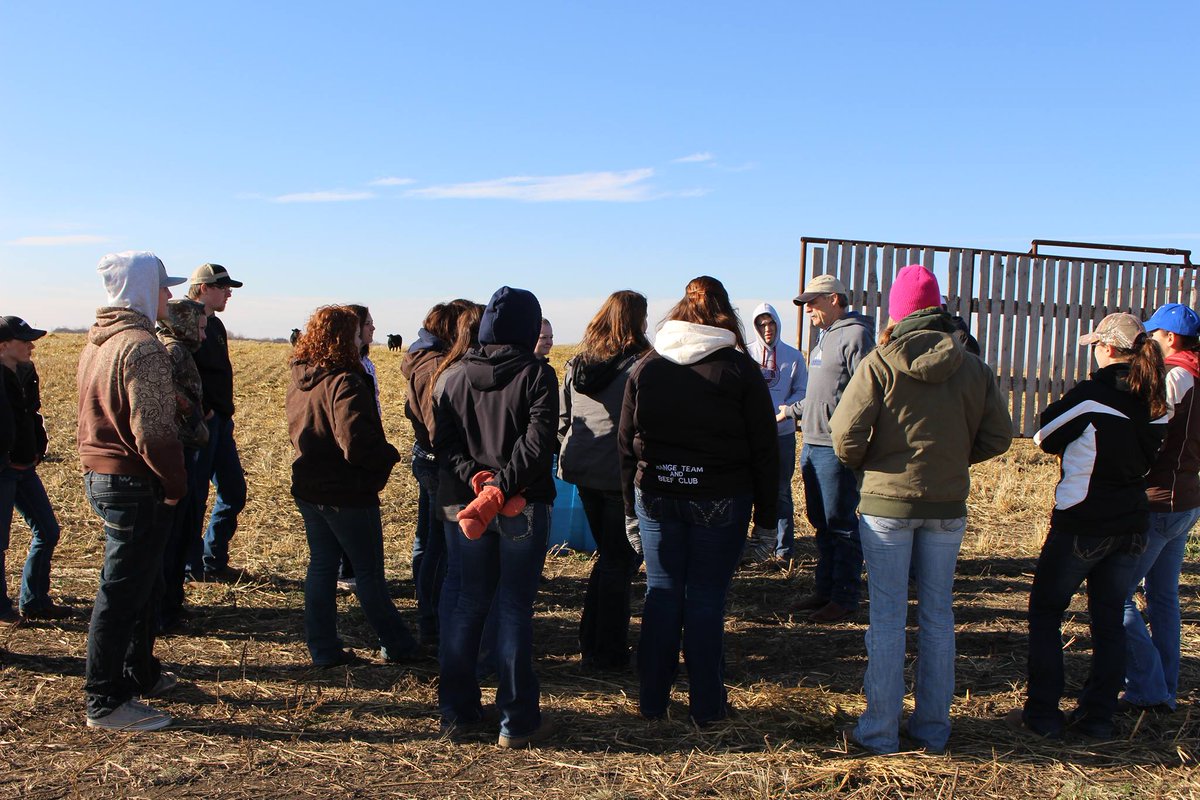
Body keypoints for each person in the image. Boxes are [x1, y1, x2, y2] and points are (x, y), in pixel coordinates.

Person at [830, 264, 1013, 754]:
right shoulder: (974, 367)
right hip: (947, 503)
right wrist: (952, 458)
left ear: (897, 312)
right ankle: (933, 729)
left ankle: (879, 732)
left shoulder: (880, 362)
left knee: (887, 618)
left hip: (886, 506)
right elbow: (999, 436)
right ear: (938, 309)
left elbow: (844, 437)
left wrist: (873, 467)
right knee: (937, 616)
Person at [619, 276, 779, 726]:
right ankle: (707, 707)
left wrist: (630, 509)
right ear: (725, 314)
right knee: (706, 599)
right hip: (720, 497)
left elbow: (626, 443)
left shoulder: (648, 366)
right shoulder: (738, 368)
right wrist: (767, 520)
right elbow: (764, 449)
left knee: (662, 593)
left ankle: (652, 700)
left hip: (657, 494)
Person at [1006, 312, 1168, 740]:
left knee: (1046, 613)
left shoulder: (1093, 396)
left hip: (1083, 521)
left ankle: (1042, 714)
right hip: (1132, 522)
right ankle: (1098, 717)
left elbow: (1044, 435)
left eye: (1095, 345)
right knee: (1109, 619)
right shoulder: (1155, 400)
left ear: (1108, 348)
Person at [434, 287, 558, 748]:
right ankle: (517, 720)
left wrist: (479, 481)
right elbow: (537, 444)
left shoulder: (451, 376)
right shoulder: (536, 374)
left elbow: (443, 445)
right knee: (513, 607)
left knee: (467, 602)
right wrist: (499, 487)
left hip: (464, 506)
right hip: (518, 505)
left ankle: (458, 713)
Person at [79, 250, 188, 731]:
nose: (168, 295)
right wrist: (175, 486)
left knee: (142, 584)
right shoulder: (143, 347)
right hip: (133, 480)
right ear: (142, 289)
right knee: (123, 592)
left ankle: (139, 672)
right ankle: (105, 700)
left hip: (104, 476)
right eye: (162, 287)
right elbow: (155, 433)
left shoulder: (98, 341)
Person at [287, 305, 418, 666]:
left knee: (322, 567)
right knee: (369, 572)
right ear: (346, 337)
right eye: (359, 332)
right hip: (346, 493)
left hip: (310, 487)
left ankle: (323, 649)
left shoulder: (301, 378)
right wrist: (389, 456)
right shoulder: (345, 381)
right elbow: (356, 443)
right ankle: (398, 645)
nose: (365, 337)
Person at [559, 290, 652, 671]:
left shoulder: (578, 362)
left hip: (583, 468)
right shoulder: (642, 366)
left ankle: (591, 640)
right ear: (637, 320)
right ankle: (607, 651)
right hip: (619, 473)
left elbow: (564, 418)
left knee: (609, 557)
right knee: (621, 561)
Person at [778, 273, 875, 623]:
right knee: (821, 522)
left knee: (841, 524)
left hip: (835, 447)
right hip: (812, 442)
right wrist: (791, 410)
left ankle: (845, 597)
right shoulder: (824, 338)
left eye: (813, 303)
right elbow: (821, 394)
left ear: (834, 299)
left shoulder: (856, 335)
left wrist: (852, 435)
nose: (807, 310)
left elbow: (866, 392)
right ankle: (825, 590)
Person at [1122, 303, 1200, 712]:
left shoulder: (1175, 375)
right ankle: (1166, 684)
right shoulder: (1196, 373)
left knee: (1117, 595)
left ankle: (1149, 688)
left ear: (1171, 337)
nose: (1148, 341)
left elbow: (1155, 431)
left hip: (1158, 501)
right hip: (1185, 498)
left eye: (1153, 334)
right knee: (1164, 598)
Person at [400, 300, 469, 644]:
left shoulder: (425, 358)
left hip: (429, 459)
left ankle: (428, 612)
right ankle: (431, 620)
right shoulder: (433, 367)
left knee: (428, 540)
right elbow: (435, 426)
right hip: (438, 463)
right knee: (439, 546)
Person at [0, 316, 66, 622]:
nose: (31, 346)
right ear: (3, 346)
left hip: (25, 467)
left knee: (48, 531)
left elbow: (33, 414)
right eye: (24, 340)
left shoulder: (26, 372)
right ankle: (2, 609)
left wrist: (38, 447)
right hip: (3, 469)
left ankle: (35, 600)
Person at [187, 262, 248, 580]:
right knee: (194, 497)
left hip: (222, 422)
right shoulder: (183, 323)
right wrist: (203, 410)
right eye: (223, 288)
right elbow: (181, 372)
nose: (228, 294)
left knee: (234, 492)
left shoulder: (216, 326)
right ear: (203, 288)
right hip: (201, 424)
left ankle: (212, 559)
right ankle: (191, 566)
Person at [156, 300, 209, 632]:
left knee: (181, 533)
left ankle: (172, 605)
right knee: (173, 537)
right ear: (185, 323)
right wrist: (194, 417)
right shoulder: (172, 351)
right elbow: (172, 398)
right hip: (179, 450)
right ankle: (165, 612)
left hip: (185, 448)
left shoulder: (176, 349)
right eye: (199, 327)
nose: (203, 334)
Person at [745, 303, 808, 563]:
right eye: (761, 325)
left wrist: (785, 411)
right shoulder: (746, 354)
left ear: (778, 324)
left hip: (782, 434)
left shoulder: (793, 357)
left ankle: (783, 550)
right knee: (747, 489)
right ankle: (748, 546)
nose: (767, 329)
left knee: (781, 491)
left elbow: (802, 390)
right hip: (751, 435)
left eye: (771, 323)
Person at [333, 304, 381, 592]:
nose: (373, 328)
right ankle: (346, 571)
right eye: (368, 324)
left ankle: (350, 569)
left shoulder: (366, 362)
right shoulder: (348, 369)